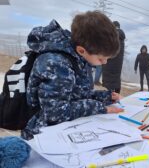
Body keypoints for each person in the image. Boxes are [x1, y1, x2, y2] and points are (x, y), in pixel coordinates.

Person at [21, 11, 124, 140]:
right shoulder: (56, 64)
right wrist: (99, 107)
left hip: (63, 129)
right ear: (82, 50)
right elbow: (55, 114)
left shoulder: (76, 56)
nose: (104, 62)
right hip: (41, 135)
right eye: (101, 58)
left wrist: (106, 97)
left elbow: (75, 94)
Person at [101, 21, 126, 93]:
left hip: (109, 62)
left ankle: (108, 97)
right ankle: (116, 95)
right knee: (116, 78)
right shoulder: (121, 38)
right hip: (118, 63)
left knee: (108, 80)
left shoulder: (111, 36)